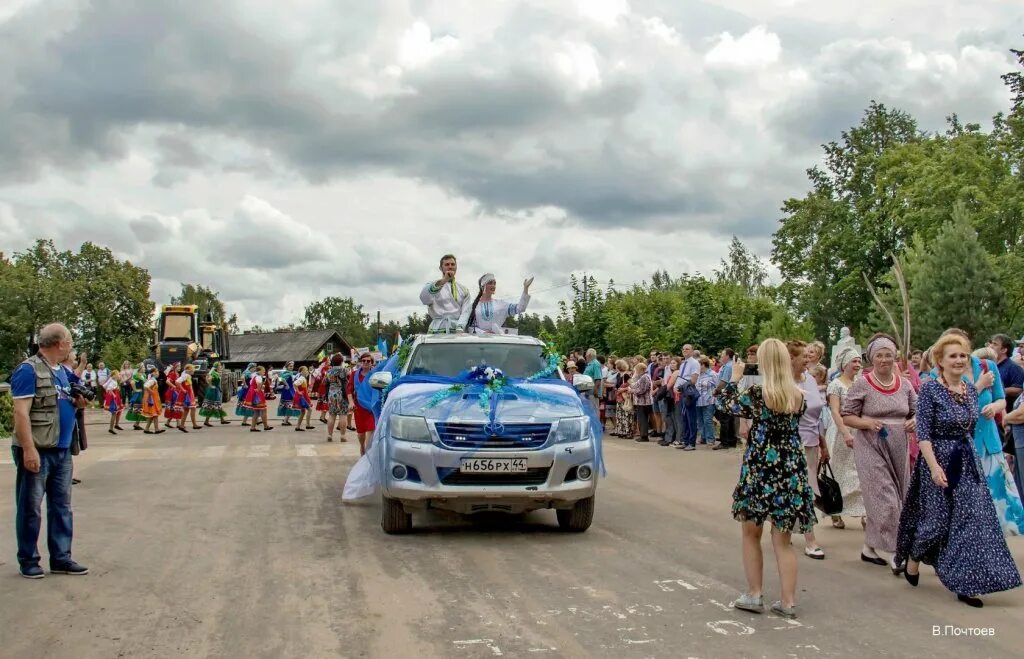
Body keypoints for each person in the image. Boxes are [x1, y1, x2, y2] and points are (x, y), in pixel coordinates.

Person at [897, 334, 1022, 607]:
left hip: (967, 461)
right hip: (939, 461)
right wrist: (933, 468)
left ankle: (967, 583)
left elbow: (972, 423)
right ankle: (914, 557)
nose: (958, 360)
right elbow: (924, 433)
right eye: (952, 356)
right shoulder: (930, 389)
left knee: (972, 521)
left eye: (962, 356)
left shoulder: (967, 388)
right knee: (936, 523)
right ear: (940, 361)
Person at [720, 339, 816, 619]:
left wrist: (734, 378)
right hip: (790, 468)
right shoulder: (798, 395)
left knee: (751, 533)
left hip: (761, 468)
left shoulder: (757, 393)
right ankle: (787, 602)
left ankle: (754, 593)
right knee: (783, 539)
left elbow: (725, 405)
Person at [10, 323, 89, 578]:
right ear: (61, 344)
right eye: (70, 340)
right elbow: (21, 413)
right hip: (39, 449)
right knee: (31, 507)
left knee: (61, 506)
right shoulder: (28, 370)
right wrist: (28, 450)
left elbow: (64, 405)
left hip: (62, 450)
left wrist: (78, 404)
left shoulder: (62, 373)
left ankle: (61, 558)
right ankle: (29, 560)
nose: (72, 345)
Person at [841, 334, 917, 573]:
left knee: (898, 496)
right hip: (871, 445)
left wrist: (913, 421)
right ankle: (896, 552)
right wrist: (867, 423)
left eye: (889, 355)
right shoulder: (862, 383)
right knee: (885, 498)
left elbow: (917, 411)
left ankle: (869, 548)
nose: (884, 359)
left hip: (899, 446)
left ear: (895, 357)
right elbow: (847, 415)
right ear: (871, 358)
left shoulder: (904, 385)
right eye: (879, 355)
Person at [963, 343, 1024, 535]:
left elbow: (1001, 399)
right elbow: (951, 406)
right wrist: (979, 386)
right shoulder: (938, 375)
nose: (958, 359)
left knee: (998, 501)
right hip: (961, 445)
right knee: (969, 501)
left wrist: (996, 408)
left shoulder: (987, 366)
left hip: (989, 443)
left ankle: (993, 547)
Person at [789, 340, 828, 560]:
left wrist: (823, 443)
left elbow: (817, 414)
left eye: (809, 355)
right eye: (804, 356)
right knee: (804, 490)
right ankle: (810, 540)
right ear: (791, 359)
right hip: (793, 444)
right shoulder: (783, 382)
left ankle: (785, 527)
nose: (808, 359)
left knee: (806, 490)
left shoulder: (811, 380)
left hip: (812, 442)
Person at [823, 348, 865, 530]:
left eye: (858, 361)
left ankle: (865, 514)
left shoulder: (860, 384)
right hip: (841, 433)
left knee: (860, 473)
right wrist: (845, 433)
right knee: (840, 473)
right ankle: (835, 511)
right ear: (844, 364)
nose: (857, 364)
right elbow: (834, 410)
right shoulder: (836, 385)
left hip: (859, 432)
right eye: (853, 361)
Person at [464, 273, 533, 335]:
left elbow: (520, 308)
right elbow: (470, 328)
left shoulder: (500, 304)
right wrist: (484, 333)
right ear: (483, 286)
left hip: (497, 341)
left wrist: (525, 289)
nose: (493, 285)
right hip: (480, 342)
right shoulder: (474, 306)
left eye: (494, 283)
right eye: (490, 283)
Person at [420, 254, 471, 333]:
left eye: (452, 264)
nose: (450, 267)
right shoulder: (433, 285)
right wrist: (444, 280)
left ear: (456, 267)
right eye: (447, 264)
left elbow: (466, 312)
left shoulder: (464, 289)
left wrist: (460, 327)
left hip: (457, 330)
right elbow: (424, 299)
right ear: (441, 268)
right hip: (437, 330)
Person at [348, 353, 376, 454]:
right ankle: (362, 447)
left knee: (371, 430)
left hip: (371, 408)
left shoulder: (375, 375)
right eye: (363, 360)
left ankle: (368, 455)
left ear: (371, 363)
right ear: (360, 362)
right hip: (358, 408)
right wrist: (351, 402)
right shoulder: (354, 374)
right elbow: (349, 390)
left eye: (368, 361)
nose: (365, 362)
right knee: (361, 434)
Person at [674, 344, 700, 450]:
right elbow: (681, 377)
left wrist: (681, 386)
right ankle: (685, 441)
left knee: (691, 418)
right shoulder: (683, 363)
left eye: (687, 349)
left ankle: (692, 443)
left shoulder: (694, 363)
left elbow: (693, 380)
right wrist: (677, 387)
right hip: (682, 392)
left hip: (689, 392)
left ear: (692, 351)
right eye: (683, 349)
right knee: (684, 417)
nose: (685, 351)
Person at [989, 334, 1024, 408]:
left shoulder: (1014, 368)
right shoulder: (989, 365)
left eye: (995, 344)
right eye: (991, 343)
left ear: (1004, 350)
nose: (990, 346)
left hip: (1006, 413)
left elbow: (1019, 389)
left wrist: (997, 390)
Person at [713, 349, 737, 450]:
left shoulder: (728, 366)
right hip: (730, 394)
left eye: (722, 355)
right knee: (730, 419)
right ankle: (731, 440)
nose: (721, 357)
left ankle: (724, 442)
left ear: (728, 355)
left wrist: (716, 390)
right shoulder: (730, 365)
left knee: (724, 419)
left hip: (725, 394)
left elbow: (724, 381)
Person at [694, 357, 719, 446]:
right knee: (700, 421)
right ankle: (703, 437)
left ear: (703, 365)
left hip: (709, 401)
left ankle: (710, 439)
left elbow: (717, 387)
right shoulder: (697, 375)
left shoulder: (713, 374)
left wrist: (715, 398)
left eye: (698, 366)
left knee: (707, 420)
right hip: (698, 401)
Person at [325, 354, 349, 442]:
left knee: (331, 415)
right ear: (341, 361)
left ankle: (329, 435)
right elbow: (349, 380)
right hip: (342, 394)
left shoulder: (328, 371)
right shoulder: (345, 370)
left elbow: (325, 382)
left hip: (331, 395)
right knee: (343, 415)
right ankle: (343, 435)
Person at [199, 362, 230, 426]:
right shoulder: (214, 373)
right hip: (213, 391)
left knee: (217, 405)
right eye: (219, 365)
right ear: (216, 367)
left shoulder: (214, 372)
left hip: (215, 390)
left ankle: (222, 419)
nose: (221, 366)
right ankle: (206, 421)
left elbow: (207, 378)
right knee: (211, 405)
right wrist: (210, 385)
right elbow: (209, 379)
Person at [628, 363, 653, 443]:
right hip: (642, 402)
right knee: (642, 419)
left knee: (643, 419)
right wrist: (631, 383)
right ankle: (643, 435)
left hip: (644, 402)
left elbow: (641, 390)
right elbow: (635, 385)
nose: (636, 371)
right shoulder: (643, 377)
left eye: (636, 369)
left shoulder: (644, 377)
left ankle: (644, 436)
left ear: (641, 369)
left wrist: (631, 391)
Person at [140, 365, 165, 434]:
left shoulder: (153, 380)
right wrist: (151, 391)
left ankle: (147, 429)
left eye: (157, 372)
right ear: (152, 373)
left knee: (152, 415)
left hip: (153, 399)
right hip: (151, 400)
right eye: (155, 372)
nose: (157, 373)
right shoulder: (152, 380)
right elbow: (145, 386)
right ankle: (156, 429)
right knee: (155, 415)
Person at [612, 360, 634, 438]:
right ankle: (621, 431)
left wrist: (623, 389)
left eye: (616, 365)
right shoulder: (618, 375)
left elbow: (632, 385)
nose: (615, 367)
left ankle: (628, 432)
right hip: (619, 397)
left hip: (624, 397)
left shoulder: (626, 375)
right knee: (620, 415)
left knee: (626, 414)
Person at [163, 363, 186, 432]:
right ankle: (178, 423)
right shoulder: (172, 373)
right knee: (176, 406)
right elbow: (167, 381)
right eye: (178, 366)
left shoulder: (177, 374)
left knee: (174, 407)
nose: (180, 367)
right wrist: (174, 387)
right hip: (172, 393)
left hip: (175, 392)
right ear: (175, 367)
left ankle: (168, 422)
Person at [124, 364, 146, 430]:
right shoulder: (136, 375)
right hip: (139, 393)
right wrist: (135, 390)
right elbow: (132, 382)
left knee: (140, 408)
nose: (144, 368)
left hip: (142, 393)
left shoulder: (144, 375)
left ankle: (137, 424)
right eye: (143, 367)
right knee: (139, 408)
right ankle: (136, 424)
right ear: (140, 368)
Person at [180, 364, 201, 430]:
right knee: (193, 408)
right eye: (192, 369)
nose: (194, 371)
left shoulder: (186, 375)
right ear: (188, 370)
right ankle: (194, 424)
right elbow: (177, 382)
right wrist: (183, 390)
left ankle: (182, 425)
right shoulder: (186, 375)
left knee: (186, 410)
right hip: (188, 395)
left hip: (189, 394)